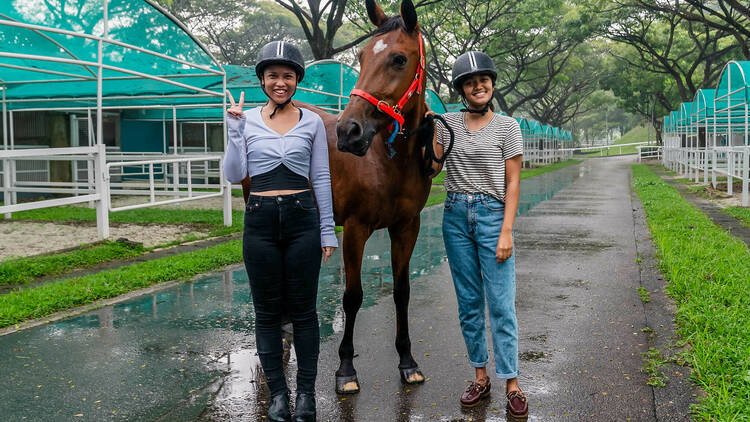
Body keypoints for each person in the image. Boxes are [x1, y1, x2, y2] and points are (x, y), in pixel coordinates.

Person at [223, 40, 337, 422]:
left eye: (288, 76)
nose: (280, 82)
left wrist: (327, 231)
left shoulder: (313, 123)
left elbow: (321, 177)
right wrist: (234, 130)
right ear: (262, 79)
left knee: (305, 312)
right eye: (273, 75)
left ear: (297, 80)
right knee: (267, 312)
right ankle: (278, 394)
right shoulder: (247, 119)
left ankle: (306, 395)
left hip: (303, 217)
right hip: (259, 220)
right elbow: (235, 174)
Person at [428, 51, 528, 418]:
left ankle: (512, 383)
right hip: (455, 216)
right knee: (469, 303)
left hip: (491, 215)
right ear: (462, 89)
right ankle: (480, 376)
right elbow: (434, 169)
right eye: (470, 82)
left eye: (483, 79)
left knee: (501, 304)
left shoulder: (508, 127)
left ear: (491, 83)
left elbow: (514, 182)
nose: (478, 86)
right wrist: (426, 129)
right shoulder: (447, 123)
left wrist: (506, 231)